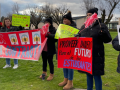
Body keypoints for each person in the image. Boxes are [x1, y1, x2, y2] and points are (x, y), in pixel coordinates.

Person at [77, 8, 112, 90]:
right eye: (87, 15)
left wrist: (103, 33)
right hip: (86, 56)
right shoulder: (83, 27)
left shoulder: (101, 26)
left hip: (97, 55)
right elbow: (80, 38)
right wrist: (77, 36)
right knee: (88, 75)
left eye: (90, 15)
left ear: (95, 16)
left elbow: (108, 40)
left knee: (96, 76)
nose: (88, 17)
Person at [56, 11, 77, 90]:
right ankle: (65, 80)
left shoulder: (74, 28)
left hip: (70, 50)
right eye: (63, 19)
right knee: (64, 65)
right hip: (63, 50)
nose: (64, 21)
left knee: (70, 66)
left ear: (70, 20)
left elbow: (76, 39)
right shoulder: (61, 28)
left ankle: (70, 82)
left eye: (65, 19)